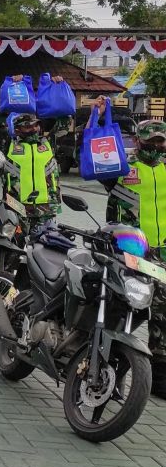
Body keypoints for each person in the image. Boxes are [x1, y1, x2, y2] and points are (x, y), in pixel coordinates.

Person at [98, 102, 166, 398]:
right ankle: (109, 369)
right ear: (139, 142)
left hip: (162, 254)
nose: (158, 146)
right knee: (122, 309)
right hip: (130, 252)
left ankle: (159, 381)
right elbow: (92, 158)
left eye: (161, 142)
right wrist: (99, 121)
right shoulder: (123, 170)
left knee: (163, 316)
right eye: (152, 141)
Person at [4, 112, 60, 230]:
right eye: (28, 126)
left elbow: (63, 125)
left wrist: (96, 112)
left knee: (45, 244)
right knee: (17, 245)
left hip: (46, 206)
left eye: (36, 125)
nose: (34, 129)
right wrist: (3, 108)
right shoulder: (9, 144)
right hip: (17, 206)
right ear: (18, 129)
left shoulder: (47, 142)